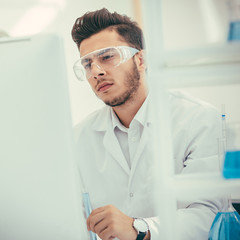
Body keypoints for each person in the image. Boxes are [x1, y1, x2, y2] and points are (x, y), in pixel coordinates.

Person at [71, 8, 224, 240]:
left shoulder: (198, 119)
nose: (96, 72)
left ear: (140, 60)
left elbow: (210, 217)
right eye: (87, 64)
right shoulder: (78, 137)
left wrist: (138, 228)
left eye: (107, 57)